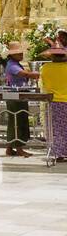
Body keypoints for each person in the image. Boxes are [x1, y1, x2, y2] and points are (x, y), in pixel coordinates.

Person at [4, 41, 37, 157]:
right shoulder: (12, 65)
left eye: (21, 53)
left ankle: (9, 148)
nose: (21, 55)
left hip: (18, 95)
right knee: (17, 121)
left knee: (14, 121)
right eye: (18, 54)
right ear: (12, 55)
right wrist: (37, 74)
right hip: (15, 96)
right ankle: (19, 149)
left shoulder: (14, 63)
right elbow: (24, 74)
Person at [40, 30, 67, 163]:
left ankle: (58, 153)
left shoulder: (45, 68)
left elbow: (44, 83)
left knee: (55, 129)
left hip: (53, 102)